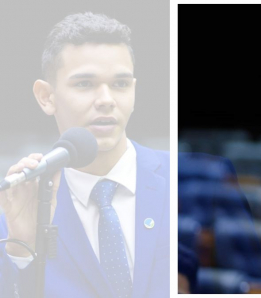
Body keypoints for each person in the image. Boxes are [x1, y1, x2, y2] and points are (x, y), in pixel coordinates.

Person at [0, 12, 169, 297]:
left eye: (120, 84)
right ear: (46, 96)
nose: (106, 100)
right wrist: (21, 251)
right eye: (84, 84)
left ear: (134, 92)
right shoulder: (15, 209)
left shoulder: (179, 179)